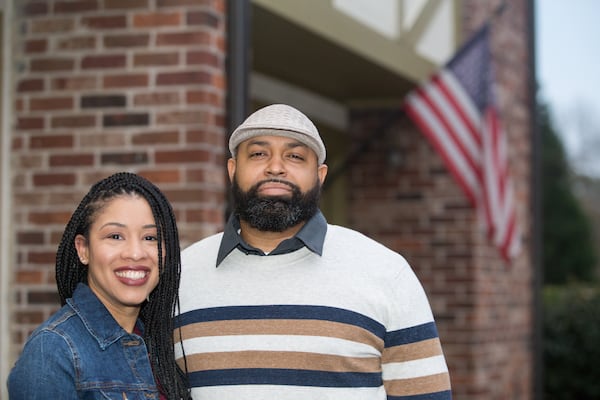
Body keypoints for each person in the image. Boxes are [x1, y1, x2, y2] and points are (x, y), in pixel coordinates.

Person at [174, 104, 452, 399]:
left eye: (294, 156)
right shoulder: (180, 275)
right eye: (258, 153)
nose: (275, 167)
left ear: (320, 175)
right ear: (232, 170)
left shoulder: (386, 272)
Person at [8, 172, 190, 400]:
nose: (135, 253)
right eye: (115, 236)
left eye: (150, 238)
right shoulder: (53, 350)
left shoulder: (159, 344)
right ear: (83, 249)